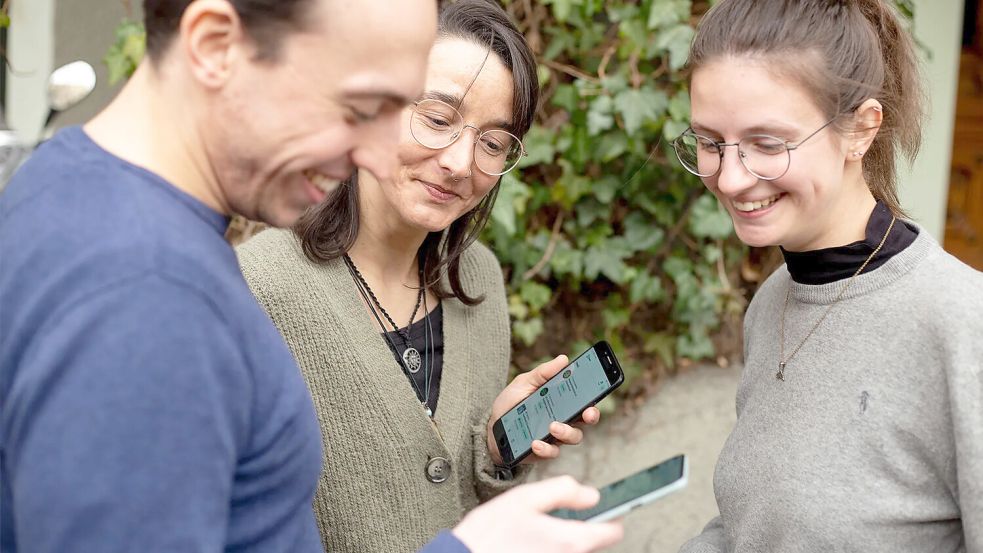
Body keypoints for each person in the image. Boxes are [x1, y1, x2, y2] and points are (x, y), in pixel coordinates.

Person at [0, 0, 622, 552]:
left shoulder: (60, 181)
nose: (376, 150)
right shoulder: (146, 299)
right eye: (360, 106)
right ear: (215, 45)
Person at [236, 1, 609, 551]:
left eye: (493, 143)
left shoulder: (479, 281)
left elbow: (462, 508)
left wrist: (495, 449)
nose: (460, 162)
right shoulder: (257, 288)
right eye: (437, 119)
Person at [669, 0, 983, 551]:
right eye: (711, 142)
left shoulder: (962, 324)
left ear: (861, 129)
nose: (730, 178)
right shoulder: (772, 301)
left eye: (768, 143)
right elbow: (755, 528)